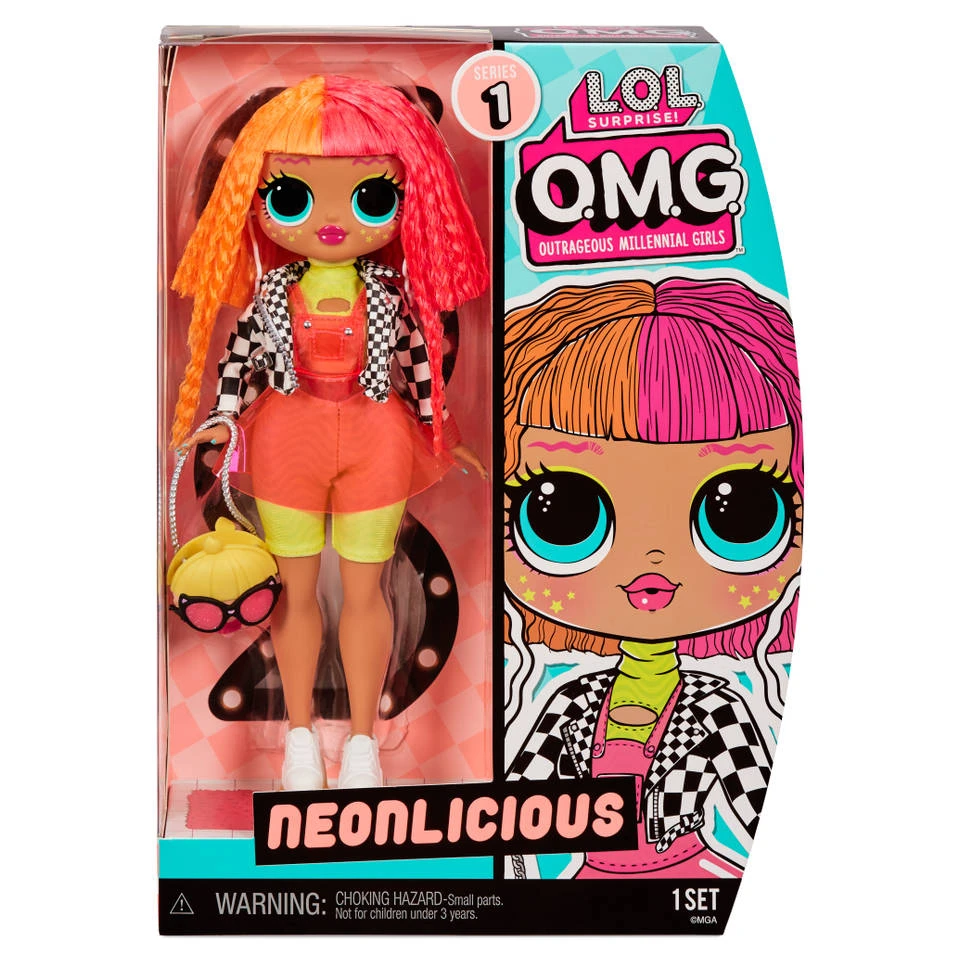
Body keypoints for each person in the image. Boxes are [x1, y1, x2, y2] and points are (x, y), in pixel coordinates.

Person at [170, 74, 487, 790]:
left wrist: (442, 428)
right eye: (291, 197)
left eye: (372, 197)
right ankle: (300, 738)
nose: (335, 221)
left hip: (377, 439)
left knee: (369, 591)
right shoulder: (273, 293)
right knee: (294, 591)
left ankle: (365, 744)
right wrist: (219, 417)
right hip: (290, 436)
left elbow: (420, 362)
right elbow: (238, 359)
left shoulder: (391, 294)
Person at [503, 276, 801, 878]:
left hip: (694, 884)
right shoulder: (571, 704)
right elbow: (512, 819)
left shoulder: (716, 711)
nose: (653, 561)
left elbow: (759, 815)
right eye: (563, 514)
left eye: (739, 512)